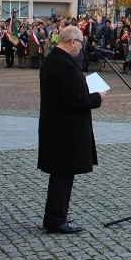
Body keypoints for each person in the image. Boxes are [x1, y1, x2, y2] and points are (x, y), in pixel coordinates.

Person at [37, 25, 104, 234]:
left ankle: (55, 216)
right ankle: (56, 220)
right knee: (63, 175)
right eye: (81, 43)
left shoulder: (52, 60)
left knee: (60, 175)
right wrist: (97, 97)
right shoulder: (65, 65)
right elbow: (75, 101)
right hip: (65, 130)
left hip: (55, 127)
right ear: (73, 41)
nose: (82, 48)